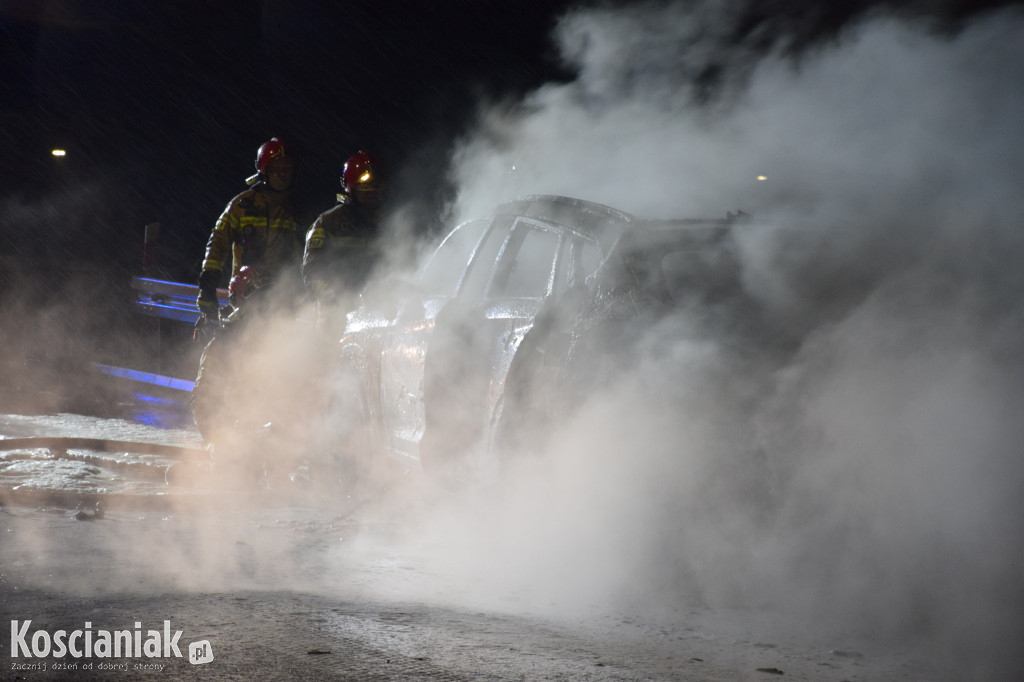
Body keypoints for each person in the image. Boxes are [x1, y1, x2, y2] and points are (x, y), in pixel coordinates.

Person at [195, 137, 302, 328]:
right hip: (244, 298)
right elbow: (218, 242)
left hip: (284, 300)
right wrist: (208, 284)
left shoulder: (297, 210)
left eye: (287, 168)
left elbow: (308, 256)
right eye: (277, 168)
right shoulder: (242, 205)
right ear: (264, 170)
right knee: (229, 352)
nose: (283, 174)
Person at [302, 149, 385, 332]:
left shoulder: (388, 222)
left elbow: (398, 262)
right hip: (336, 313)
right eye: (365, 187)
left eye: (375, 186)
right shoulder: (327, 223)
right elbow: (312, 270)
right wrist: (332, 296)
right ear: (350, 188)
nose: (371, 192)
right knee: (329, 352)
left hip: (377, 311)